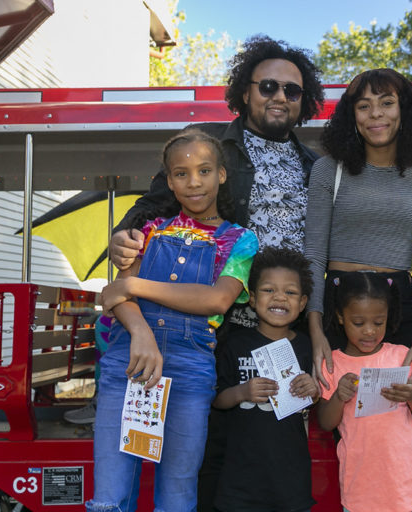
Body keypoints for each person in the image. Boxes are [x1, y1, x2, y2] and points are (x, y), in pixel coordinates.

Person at [108, 35, 325, 510]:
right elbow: (154, 205)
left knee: (272, 448)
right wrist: (122, 235)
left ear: (303, 101)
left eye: (292, 90)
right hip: (216, 324)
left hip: (284, 327)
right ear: (245, 92)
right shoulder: (212, 146)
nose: (279, 97)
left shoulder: (316, 165)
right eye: (268, 85)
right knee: (209, 451)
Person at [304, 68, 412, 511]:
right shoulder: (328, 172)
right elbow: (312, 256)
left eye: (386, 103)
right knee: (347, 424)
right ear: (351, 115)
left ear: (404, 111)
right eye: (364, 104)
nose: (376, 114)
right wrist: (316, 330)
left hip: (401, 308)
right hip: (336, 307)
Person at [86, 130, 258, 512]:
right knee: (109, 497)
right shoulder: (147, 231)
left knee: (178, 496)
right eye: (181, 173)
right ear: (168, 180)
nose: (193, 182)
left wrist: (135, 282)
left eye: (204, 170)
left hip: (191, 369)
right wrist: (141, 332)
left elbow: (216, 299)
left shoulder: (241, 240)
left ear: (222, 175)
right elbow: (114, 295)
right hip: (129, 361)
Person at [316, 272, 412, 512]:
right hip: (361, 487)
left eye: (378, 323)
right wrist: (339, 396)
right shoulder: (332, 364)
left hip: (409, 484)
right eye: (358, 323)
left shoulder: (401, 356)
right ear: (340, 316)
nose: (369, 331)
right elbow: (326, 422)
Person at [212, 247, 318, 512]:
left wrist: (313, 391)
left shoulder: (307, 348)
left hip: (290, 481)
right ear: (252, 297)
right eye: (269, 290)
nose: (280, 297)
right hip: (241, 481)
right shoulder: (234, 344)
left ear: (303, 303)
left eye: (291, 292)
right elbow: (217, 399)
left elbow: (317, 403)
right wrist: (242, 392)